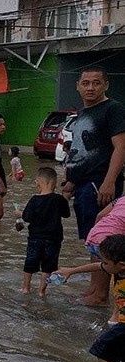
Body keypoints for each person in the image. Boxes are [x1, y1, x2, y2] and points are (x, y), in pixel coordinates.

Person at [62, 66, 125, 305]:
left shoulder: (113, 109)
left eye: (96, 83)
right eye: (86, 83)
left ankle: (100, 294)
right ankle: (94, 288)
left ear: (106, 85)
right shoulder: (82, 113)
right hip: (82, 184)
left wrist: (109, 181)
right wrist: (70, 182)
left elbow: (121, 147)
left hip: (100, 183)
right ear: (78, 86)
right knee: (93, 237)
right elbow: (79, 152)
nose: (91, 87)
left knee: (103, 239)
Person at [55, 234, 125, 362]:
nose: (103, 265)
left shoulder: (118, 269)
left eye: (106, 262)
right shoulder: (116, 269)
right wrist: (71, 271)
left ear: (121, 265)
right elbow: (97, 266)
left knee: (101, 352)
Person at [14, 167, 70, 296]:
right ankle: (41, 291)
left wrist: (19, 213)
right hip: (54, 239)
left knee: (30, 261)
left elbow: (27, 217)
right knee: (49, 265)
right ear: (54, 183)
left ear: (37, 183)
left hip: (35, 238)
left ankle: (26, 288)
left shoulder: (34, 200)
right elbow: (66, 215)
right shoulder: (59, 200)